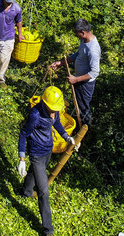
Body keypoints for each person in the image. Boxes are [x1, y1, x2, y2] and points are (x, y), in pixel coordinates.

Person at [17, 86, 79, 235]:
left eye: (55, 110)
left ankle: (26, 192)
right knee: (43, 192)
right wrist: (22, 158)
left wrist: (66, 137)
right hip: (36, 153)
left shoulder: (54, 111)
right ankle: (48, 230)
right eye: (52, 110)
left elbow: (56, 123)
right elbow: (23, 134)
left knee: (35, 172)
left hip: (48, 150)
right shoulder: (35, 115)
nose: (53, 113)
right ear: (45, 104)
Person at [50, 18, 100, 125]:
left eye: (76, 33)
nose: (76, 35)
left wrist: (76, 79)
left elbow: (95, 72)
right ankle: (79, 122)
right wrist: (61, 63)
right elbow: (78, 54)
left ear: (83, 32)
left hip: (85, 85)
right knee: (78, 105)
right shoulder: (84, 41)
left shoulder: (93, 49)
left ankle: (85, 128)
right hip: (78, 80)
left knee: (84, 108)